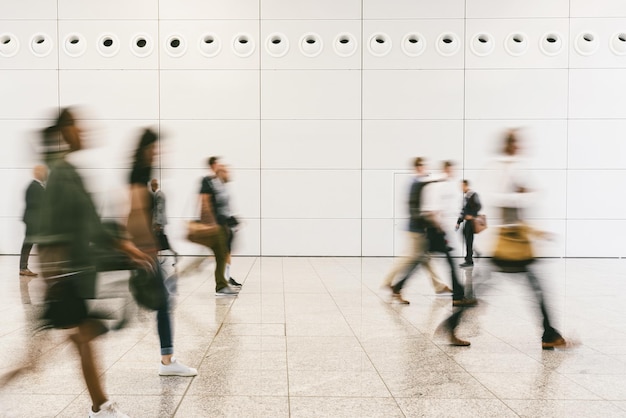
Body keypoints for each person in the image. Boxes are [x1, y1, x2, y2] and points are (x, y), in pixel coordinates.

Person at [37, 108, 150, 417]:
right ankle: (101, 406)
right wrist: (54, 276)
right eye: (78, 127)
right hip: (63, 274)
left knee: (83, 337)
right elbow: (62, 225)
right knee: (33, 360)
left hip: (67, 273)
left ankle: (100, 406)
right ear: (65, 132)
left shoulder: (65, 170)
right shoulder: (62, 172)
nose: (83, 132)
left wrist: (123, 244)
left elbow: (88, 221)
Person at [487, 129, 567, 350]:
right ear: (510, 145)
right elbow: (498, 199)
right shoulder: (501, 167)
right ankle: (549, 334)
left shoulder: (512, 167)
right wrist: (524, 194)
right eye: (517, 143)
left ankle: (549, 333)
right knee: (535, 289)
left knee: (534, 288)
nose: (520, 147)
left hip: (515, 240)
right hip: (509, 242)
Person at [127, 129, 198, 377]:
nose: (159, 153)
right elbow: (134, 216)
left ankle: (167, 359)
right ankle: (167, 361)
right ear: (146, 149)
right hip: (143, 251)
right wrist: (146, 249)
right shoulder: (137, 176)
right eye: (155, 148)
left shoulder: (140, 176)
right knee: (162, 302)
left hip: (145, 251)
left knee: (164, 302)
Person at [382, 158, 451, 296]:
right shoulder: (415, 182)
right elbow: (417, 205)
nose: (425, 168)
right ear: (417, 167)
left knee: (424, 258)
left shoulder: (417, 182)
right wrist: (444, 176)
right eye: (422, 166)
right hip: (416, 229)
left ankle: (439, 285)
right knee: (410, 258)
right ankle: (389, 282)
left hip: (417, 228)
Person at [19, 165, 47, 277]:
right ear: (37, 173)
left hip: (33, 220)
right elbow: (36, 205)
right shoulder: (33, 186)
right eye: (43, 172)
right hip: (33, 221)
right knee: (29, 244)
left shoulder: (36, 186)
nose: (45, 174)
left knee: (28, 244)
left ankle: (23, 267)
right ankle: (23, 268)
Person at [150, 178, 178, 262]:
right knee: (159, 239)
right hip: (159, 222)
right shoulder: (159, 194)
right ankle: (160, 257)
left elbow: (159, 209)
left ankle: (173, 254)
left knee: (160, 239)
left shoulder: (159, 195)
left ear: (154, 186)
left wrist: (157, 223)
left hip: (159, 222)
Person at [456, 179, 482, 268]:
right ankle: (475, 252)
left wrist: (472, 216)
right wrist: (458, 222)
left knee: (468, 240)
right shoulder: (466, 197)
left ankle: (469, 260)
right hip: (467, 222)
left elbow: (479, 206)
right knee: (466, 238)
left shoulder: (473, 195)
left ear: (466, 186)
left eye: (462, 186)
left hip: (472, 222)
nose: (461, 188)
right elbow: (463, 211)